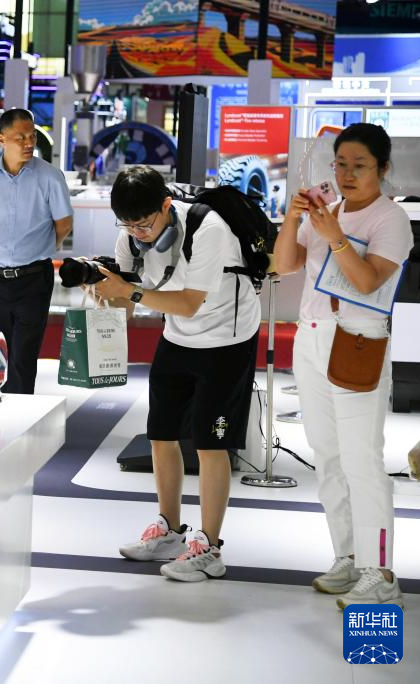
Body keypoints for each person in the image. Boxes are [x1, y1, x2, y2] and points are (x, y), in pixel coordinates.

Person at [92, 165, 261, 582]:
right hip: (178, 337)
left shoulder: (208, 227)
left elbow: (188, 302)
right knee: (161, 434)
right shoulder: (130, 235)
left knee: (209, 443)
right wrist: (102, 292)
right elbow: (128, 307)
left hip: (226, 338)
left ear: (167, 205)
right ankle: (169, 530)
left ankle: (210, 548)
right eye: (128, 225)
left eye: (144, 224)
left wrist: (128, 290)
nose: (138, 233)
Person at [274, 123, 412, 609]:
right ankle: (348, 557)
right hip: (311, 337)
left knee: (362, 461)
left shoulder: (390, 219)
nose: (348, 174)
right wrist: (291, 218)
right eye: (341, 164)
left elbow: (369, 281)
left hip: (358, 340)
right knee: (327, 456)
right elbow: (285, 265)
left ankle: (381, 571)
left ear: (383, 168)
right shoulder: (327, 209)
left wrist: (335, 238)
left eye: (360, 165)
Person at [0, 108, 73, 394]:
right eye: (20, 137)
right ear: (2, 139)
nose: (28, 143)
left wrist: (41, 247)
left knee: (24, 357)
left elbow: (64, 223)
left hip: (34, 278)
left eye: (32, 136)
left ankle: (21, 412)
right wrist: (1, 249)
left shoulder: (50, 177)